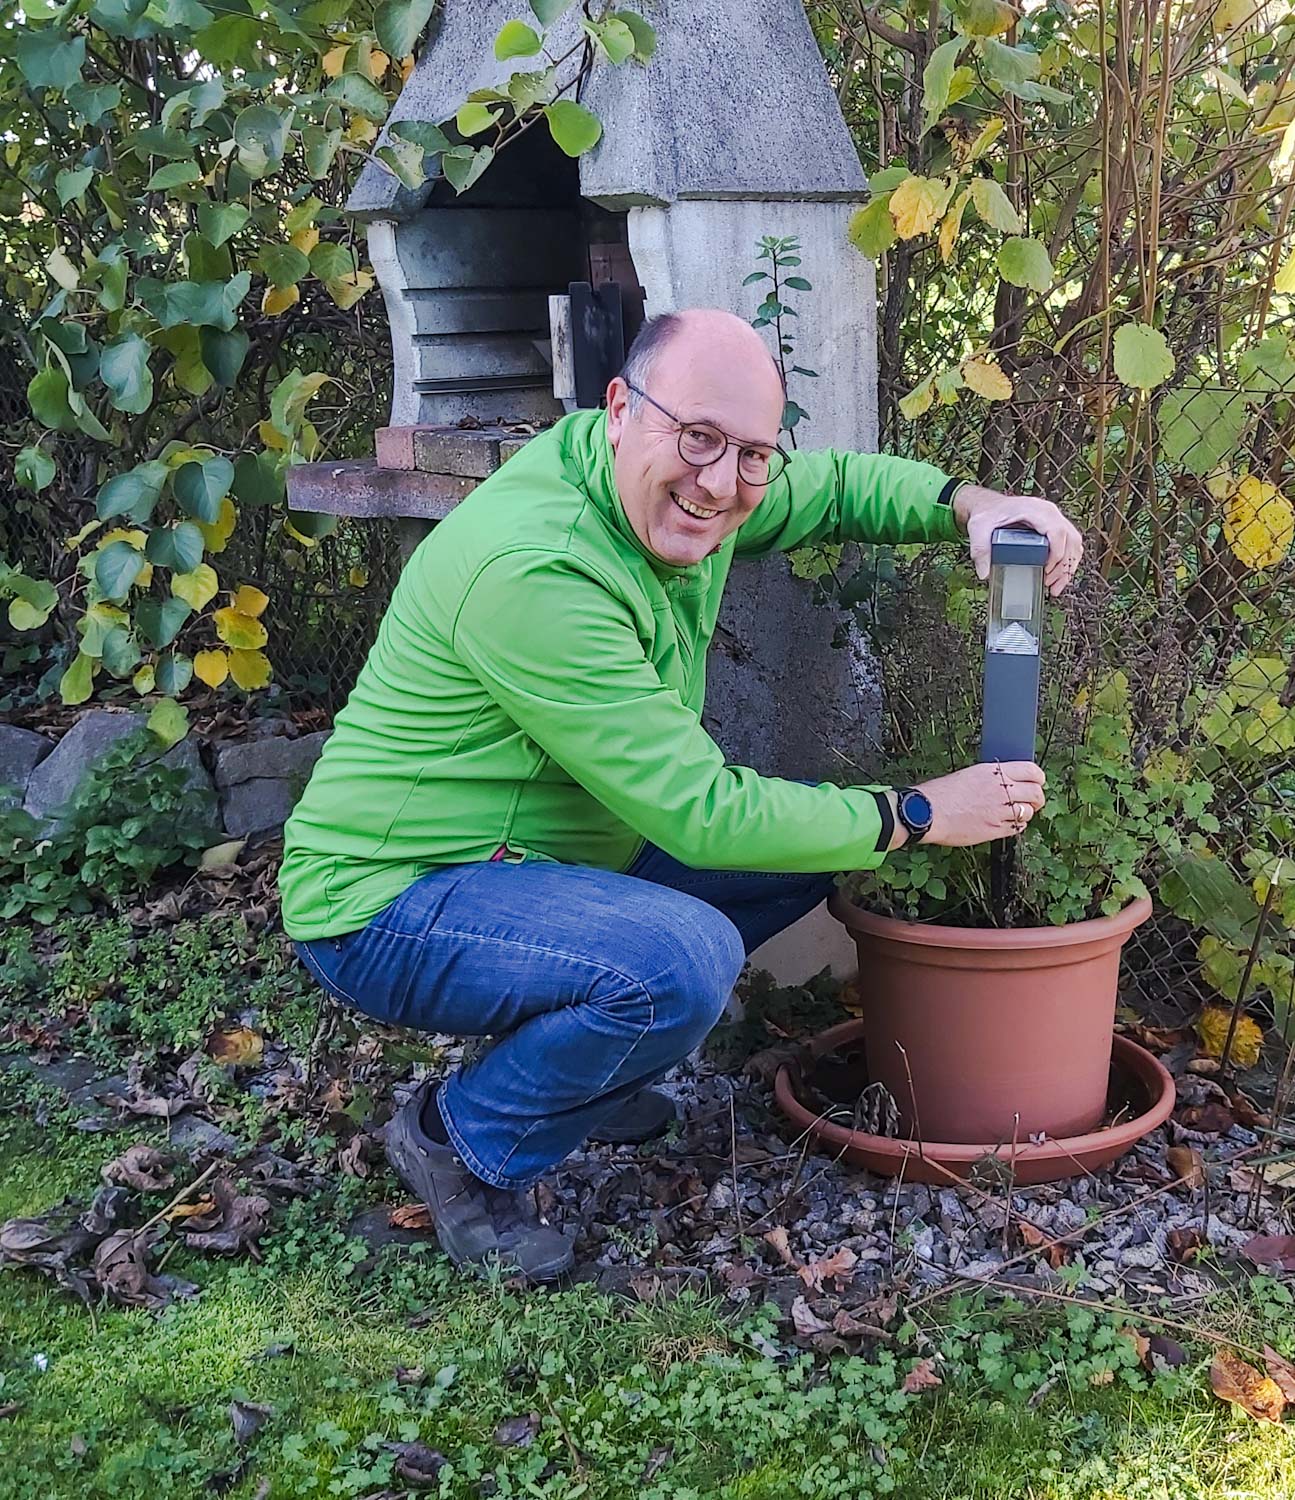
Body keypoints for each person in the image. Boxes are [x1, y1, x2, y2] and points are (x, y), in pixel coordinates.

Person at [280, 307, 1083, 1282]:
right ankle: (461, 1142)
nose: (719, 482)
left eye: (749, 453)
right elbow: (699, 813)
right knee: (683, 957)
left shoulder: (669, 487)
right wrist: (915, 813)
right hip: (389, 898)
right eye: (697, 439)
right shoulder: (537, 569)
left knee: (806, 848)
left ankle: (577, 1068)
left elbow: (826, 485)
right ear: (621, 408)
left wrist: (970, 501)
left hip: (537, 857)